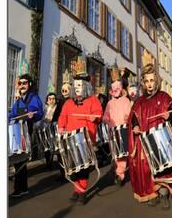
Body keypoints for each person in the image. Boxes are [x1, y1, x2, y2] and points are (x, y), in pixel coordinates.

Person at [127, 63, 172, 209]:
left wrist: (168, 116)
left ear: (156, 81)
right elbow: (133, 117)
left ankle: (164, 194)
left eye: (152, 80)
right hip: (145, 141)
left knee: (163, 168)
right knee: (147, 168)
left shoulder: (164, 97)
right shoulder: (139, 102)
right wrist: (134, 126)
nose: (149, 84)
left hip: (161, 139)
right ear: (143, 83)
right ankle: (152, 193)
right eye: (146, 81)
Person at [57, 59, 103, 204]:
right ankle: (77, 188)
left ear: (86, 86)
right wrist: (61, 127)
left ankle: (82, 192)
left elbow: (99, 115)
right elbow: (62, 116)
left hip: (86, 138)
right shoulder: (69, 102)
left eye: (79, 85)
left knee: (83, 167)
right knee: (73, 167)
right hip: (70, 139)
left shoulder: (93, 100)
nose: (76, 88)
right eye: (75, 85)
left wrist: (94, 117)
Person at [8, 73, 44, 197]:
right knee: (18, 160)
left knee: (21, 160)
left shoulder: (33, 97)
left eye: (24, 83)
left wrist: (32, 115)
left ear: (29, 84)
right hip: (16, 131)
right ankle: (22, 188)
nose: (22, 85)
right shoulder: (17, 102)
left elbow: (39, 111)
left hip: (25, 130)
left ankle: (20, 189)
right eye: (20, 83)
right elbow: (11, 115)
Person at [103, 69, 132, 186]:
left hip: (123, 129)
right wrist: (105, 118)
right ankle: (117, 170)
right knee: (115, 153)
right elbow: (106, 114)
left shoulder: (126, 100)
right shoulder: (109, 103)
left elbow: (129, 114)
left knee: (122, 153)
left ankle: (120, 174)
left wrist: (127, 117)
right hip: (112, 131)